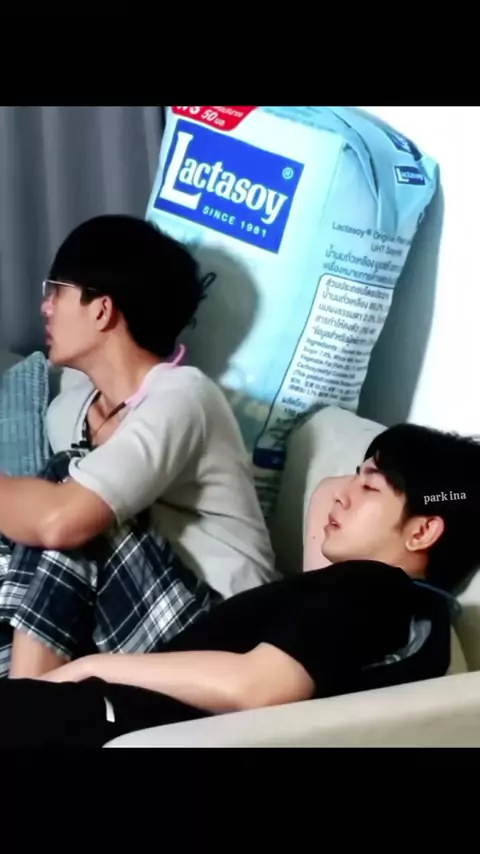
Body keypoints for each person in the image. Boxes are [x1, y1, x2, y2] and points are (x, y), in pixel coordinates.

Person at [1, 422, 479, 748]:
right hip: (122, 717)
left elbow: (259, 687)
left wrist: (92, 666)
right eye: (357, 476)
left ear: (423, 531)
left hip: (108, 715)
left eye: (369, 487)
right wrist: (384, 482)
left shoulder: (373, 589)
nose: (345, 492)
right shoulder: (414, 619)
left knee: (70, 488)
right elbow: (328, 495)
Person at [0, 215, 275, 680]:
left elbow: (61, 521)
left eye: (57, 291)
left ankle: (25, 706)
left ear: (102, 309)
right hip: (123, 628)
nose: (45, 307)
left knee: (72, 499)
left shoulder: (184, 396)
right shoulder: (69, 411)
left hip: (223, 635)